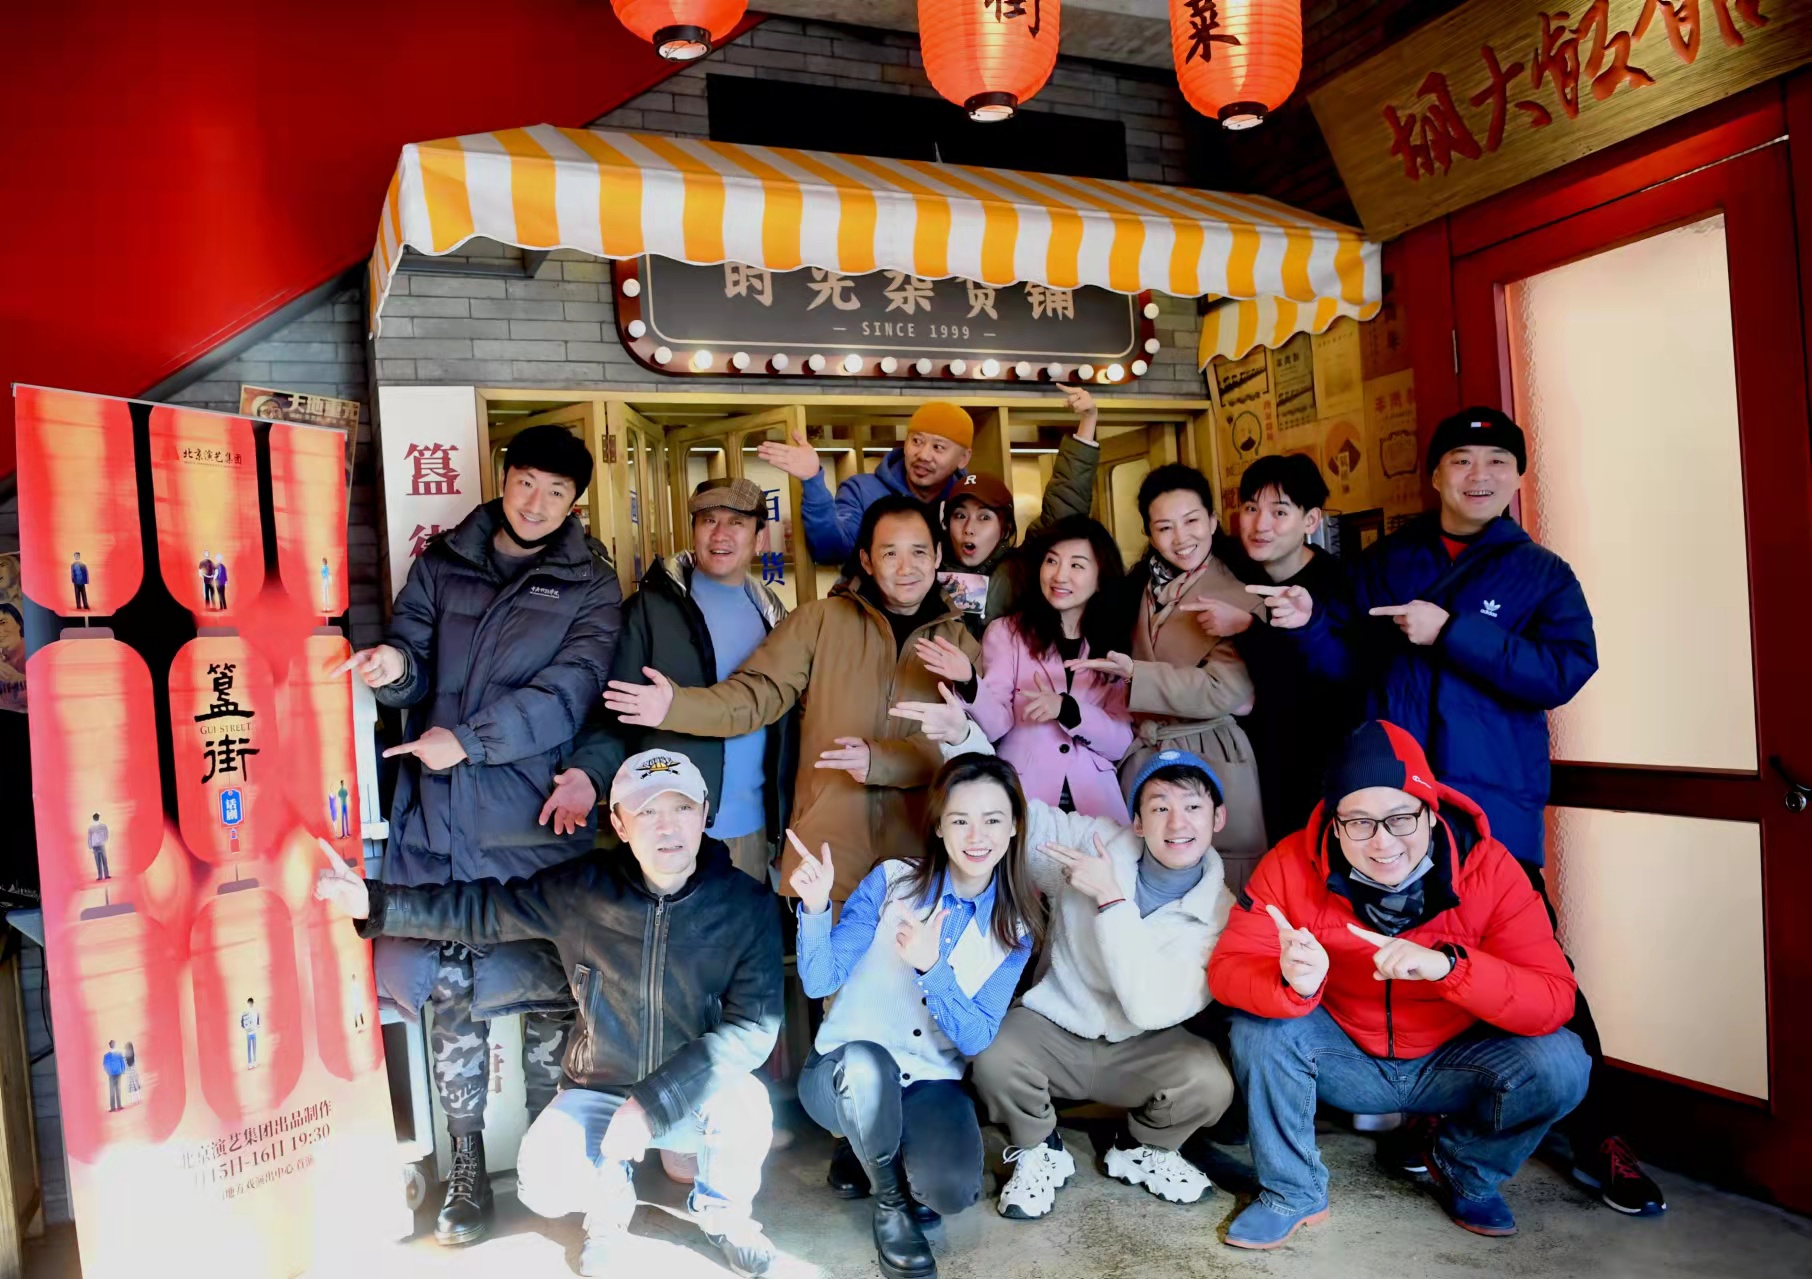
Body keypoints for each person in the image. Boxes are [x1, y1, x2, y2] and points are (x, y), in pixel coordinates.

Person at [1262, 408, 1659, 1215]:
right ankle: (1432, 1118)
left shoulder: (1540, 573)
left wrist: (1453, 633)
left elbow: (1563, 671)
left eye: (1495, 462)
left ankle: (1599, 1133)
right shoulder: (1387, 561)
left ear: (1517, 476)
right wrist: (1307, 629)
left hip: (1489, 804)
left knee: (1538, 965)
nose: (1479, 476)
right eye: (1462, 460)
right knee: (1407, 953)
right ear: (1436, 473)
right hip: (1395, 807)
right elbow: (1347, 666)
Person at [315, 749, 783, 1278]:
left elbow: (750, 1030)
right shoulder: (584, 890)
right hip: (602, 1089)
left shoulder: (746, 906)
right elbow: (484, 909)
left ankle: (726, 1217)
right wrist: (377, 904)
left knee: (747, 1106)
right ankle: (609, 1212)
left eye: (682, 808)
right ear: (619, 824)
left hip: (691, 1095)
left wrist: (650, 1107)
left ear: (704, 813)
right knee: (541, 1183)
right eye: (647, 811)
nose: (667, 826)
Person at [337, 423, 623, 1246]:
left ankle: (549, 1160)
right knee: (450, 992)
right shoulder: (443, 561)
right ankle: (466, 1168)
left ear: (575, 504)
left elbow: (569, 694)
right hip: (441, 821)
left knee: (548, 996)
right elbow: (414, 656)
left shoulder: (591, 585)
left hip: (532, 823)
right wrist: (395, 668)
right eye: (526, 482)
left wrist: (468, 739)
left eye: (556, 492)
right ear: (504, 477)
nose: (536, 503)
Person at [1210, 721, 1589, 1247]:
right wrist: (1291, 982)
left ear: (1431, 813)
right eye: (1359, 822)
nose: (1382, 841)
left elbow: (1553, 997)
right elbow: (1227, 969)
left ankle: (1466, 1170)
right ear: (1335, 826)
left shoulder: (1492, 868)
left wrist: (1451, 969)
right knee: (1258, 1027)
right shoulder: (1290, 864)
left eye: (1400, 817)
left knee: (1562, 1061)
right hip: (1344, 1058)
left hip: (1452, 1062)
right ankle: (1292, 1192)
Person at [898, 686, 1236, 1221]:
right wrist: (963, 740)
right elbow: (1014, 818)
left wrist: (1112, 901)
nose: (1177, 823)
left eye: (1193, 807)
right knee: (992, 1050)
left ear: (1217, 818)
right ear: (1137, 821)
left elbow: (1152, 1008)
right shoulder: (1092, 844)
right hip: (1055, 1028)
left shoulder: (1222, 912)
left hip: (1141, 1044)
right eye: (1160, 807)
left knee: (1210, 1080)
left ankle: (1144, 1147)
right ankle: (1039, 1148)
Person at [605, 495, 980, 908]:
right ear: (867, 561)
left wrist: (881, 761)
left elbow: (974, 749)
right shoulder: (819, 621)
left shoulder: (960, 645)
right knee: (821, 952)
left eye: (919, 552)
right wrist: (675, 707)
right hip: (826, 859)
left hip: (922, 857)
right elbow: (756, 695)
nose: (906, 567)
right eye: (890, 553)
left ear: (937, 556)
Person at [789, 752, 1041, 1279]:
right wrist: (814, 908)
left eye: (993, 819)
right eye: (960, 820)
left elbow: (975, 1037)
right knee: (867, 1065)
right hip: (841, 1074)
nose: (977, 836)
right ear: (939, 826)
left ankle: (868, 1153)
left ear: (1015, 826)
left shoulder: (1015, 929)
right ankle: (890, 1205)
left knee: (951, 1192)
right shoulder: (891, 882)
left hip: (928, 1080)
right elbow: (821, 980)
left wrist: (933, 968)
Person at [560, 477, 795, 882]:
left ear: (759, 538)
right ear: (693, 531)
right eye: (708, 521)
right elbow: (611, 715)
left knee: (744, 923)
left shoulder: (775, 617)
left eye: (736, 523)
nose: (720, 534)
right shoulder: (649, 611)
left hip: (754, 829)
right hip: (668, 830)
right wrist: (588, 775)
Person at [1069, 464, 1266, 889]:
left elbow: (1227, 691)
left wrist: (1138, 675)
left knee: (1221, 884)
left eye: (1192, 521)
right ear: (1149, 533)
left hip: (1210, 752)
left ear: (1213, 521)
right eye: (1164, 527)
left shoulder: (1240, 594)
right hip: (1147, 752)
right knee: (1141, 881)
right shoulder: (1138, 588)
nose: (1181, 538)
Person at [1191, 454, 1362, 839]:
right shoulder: (1231, 573)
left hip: (1313, 766)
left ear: (1311, 520)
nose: (1260, 525)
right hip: (1241, 759)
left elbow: (1336, 678)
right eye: (1251, 508)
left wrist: (1247, 628)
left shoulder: (1337, 585)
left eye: (1279, 512)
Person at [966, 516, 1133, 821]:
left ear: (1101, 578)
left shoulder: (1114, 643)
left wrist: (1068, 711)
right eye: (1052, 561)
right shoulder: (1007, 633)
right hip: (1025, 797)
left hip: (1096, 803)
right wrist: (968, 683)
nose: (1059, 576)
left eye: (1076, 565)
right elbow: (994, 726)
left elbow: (1120, 742)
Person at [939, 385, 1102, 634]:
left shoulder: (1024, 567)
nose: (969, 528)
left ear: (1005, 528)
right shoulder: (928, 568)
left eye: (984, 517)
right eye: (960, 515)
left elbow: (1065, 504)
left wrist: (1088, 423)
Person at [758, 401, 973, 566]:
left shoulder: (971, 501)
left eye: (938, 447)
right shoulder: (861, 491)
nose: (923, 455)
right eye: (916, 441)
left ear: (963, 458)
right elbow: (831, 551)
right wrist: (813, 480)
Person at [102, 1041, 125, 1113]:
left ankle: (116, 1107)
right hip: (113, 1074)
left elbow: (122, 1062)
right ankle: (116, 1107)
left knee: (115, 1090)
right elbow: (105, 1065)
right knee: (115, 1090)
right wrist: (109, 1072)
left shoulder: (117, 1054)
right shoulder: (108, 1055)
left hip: (116, 1074)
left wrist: (122, 1070)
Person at [87, 813, 109, 881]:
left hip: (96, 845)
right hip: (100, 845)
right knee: (103, 860)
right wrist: (104, 840)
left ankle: (101, 876)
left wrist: (90, 846)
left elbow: (89, 838)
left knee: (99, 861)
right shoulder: (103, 826)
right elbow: (106, 834)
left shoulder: (91, 827)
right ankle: (105, 875)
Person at [241, 998, 260, 1068]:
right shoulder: (251, 1011)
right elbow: (257, 1021)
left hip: (251, 1032)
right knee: (252, 1048)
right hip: (251, 1032)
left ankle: (252, 1062)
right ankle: (251, 1063)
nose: (250, 1004)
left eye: (250, 1003)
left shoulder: (248, 1011)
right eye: (249, 1003)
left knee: (251, 1048)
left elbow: (242, 1023)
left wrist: (245, 1028)